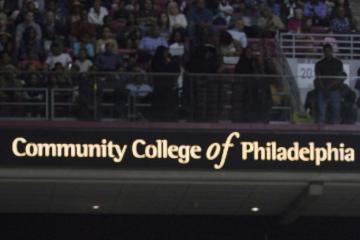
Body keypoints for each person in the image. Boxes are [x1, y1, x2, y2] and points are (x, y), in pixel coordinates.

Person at [314, 44, 344, 124]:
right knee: (321, 111)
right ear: (323, 52)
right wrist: (324, 88)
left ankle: (337, 131)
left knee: (336, 110)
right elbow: (318, 77)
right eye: (326, 51)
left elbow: (338, 78)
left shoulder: (338, 63)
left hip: (334, 90)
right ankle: (320, 132)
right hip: (322, 90)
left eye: (329, 51)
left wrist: (327, 87)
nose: (327, 53)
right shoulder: (319, 64)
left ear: (332, 51)